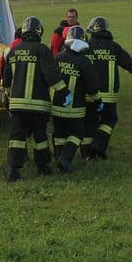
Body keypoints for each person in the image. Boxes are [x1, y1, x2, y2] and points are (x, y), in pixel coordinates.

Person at [1, 16, 69, 182]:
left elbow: (6, 79)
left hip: (17, 105)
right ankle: (42, 167)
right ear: (39, 31)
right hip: (38, 105)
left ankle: (13, 170)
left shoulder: (13, 51)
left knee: (17, 137)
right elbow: (52, 76)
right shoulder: (42, 50)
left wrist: (9, 96)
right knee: (40, 138)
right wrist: (65, 92)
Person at [83, 16, 132, 160]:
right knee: (109, 119)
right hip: (109, 96)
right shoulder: (114, 47)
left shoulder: (86, 46)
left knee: (89, 124)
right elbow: (130, 64)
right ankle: (99, 145)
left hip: (89, 95)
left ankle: (86, 154)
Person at [52, 25, 102, 173]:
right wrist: (98, 101)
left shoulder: (58, 57)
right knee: (77, 133)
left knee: (59, 134)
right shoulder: (84, 61)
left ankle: (59, 159)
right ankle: (65, 160)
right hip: (75, 108)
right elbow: (91, 85)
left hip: (56, 106)